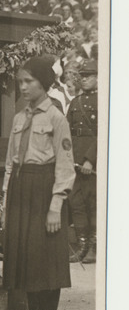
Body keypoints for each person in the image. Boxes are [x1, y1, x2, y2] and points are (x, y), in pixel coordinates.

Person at [2, 55, 75, 310]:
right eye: (20, 82)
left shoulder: (57, 118)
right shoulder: (19, 117)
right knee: (31, 265)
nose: (22, 87)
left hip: (46, 192)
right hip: (22, 192)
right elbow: (11, 162)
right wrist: (6, 200)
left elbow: (66, 166)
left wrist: (56, 205)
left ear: (43, 83)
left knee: (47, 265)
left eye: (28, 81)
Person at [67, 59, 98, 264]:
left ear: (98, 77)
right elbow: (65, 132)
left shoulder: (104, 101)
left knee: (93, 204)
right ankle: (82, 245)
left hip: (92, 163)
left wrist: (90, 160)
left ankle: (95, 247)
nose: (84, 78)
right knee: (76, 203)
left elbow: (103, 133)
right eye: (82, 75)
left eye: (89, 75)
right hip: (74, 162)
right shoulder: (74, 102)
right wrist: (67, 157)